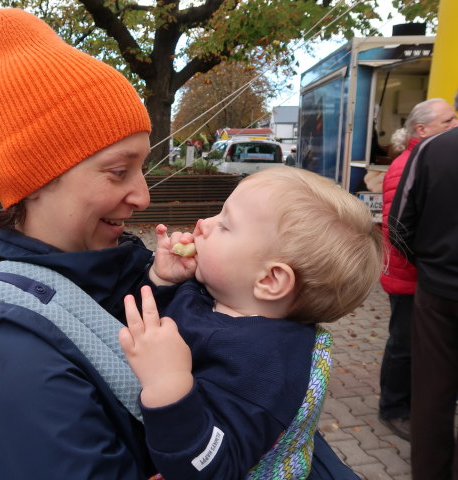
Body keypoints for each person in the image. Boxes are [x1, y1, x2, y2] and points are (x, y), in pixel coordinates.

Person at [0, 8, 158, 478]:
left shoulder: (119, 276)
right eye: (118, 170)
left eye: (143, 168)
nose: (143, 197)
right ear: (33, 180)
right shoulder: (7, 357)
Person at [120, 166, 383, 479]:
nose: (204, 225)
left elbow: (214, 466)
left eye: (226, 225)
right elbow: (155, 321)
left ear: (270, 279)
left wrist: (168, 383)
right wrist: (162, 280)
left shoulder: (266, 369)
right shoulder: (216, 294)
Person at [378, 98, 458, 440]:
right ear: (422, 130)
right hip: (412, 277)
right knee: (403, 343)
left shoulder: (426, 157)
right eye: (448, 120)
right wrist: (426, 265)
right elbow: (399, 227)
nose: (454, 124)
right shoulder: (409, 163)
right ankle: (393, 408)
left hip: (422, 274)